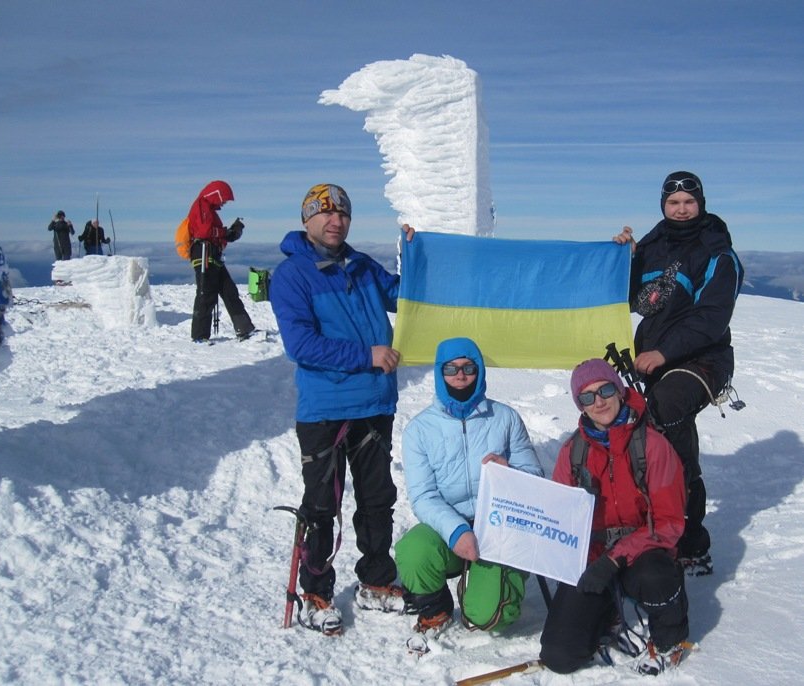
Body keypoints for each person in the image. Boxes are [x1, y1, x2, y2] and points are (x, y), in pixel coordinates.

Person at [270, 183, 414, 635]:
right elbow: (301, 345)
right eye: (325, 214)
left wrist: (418, 255)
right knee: (321, 504)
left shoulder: (362, 266)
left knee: (377, 499)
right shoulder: (293, 275)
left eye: (343, 214)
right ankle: (317, 590)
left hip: (373, 405)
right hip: (326, 410)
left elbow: (406, 298)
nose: (336, 221)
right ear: (307, 219)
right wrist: (366, 356)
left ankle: (375, 579)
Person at [614, 171, 743, 575]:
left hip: (702, 359)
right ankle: (648, 516)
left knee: (666, 410)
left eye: (689, 201)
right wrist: (625, 259)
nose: (682, 209)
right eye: (674, 203)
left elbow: (711, 317)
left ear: (701, 204)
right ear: (663, 206)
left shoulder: (718, 252)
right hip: (653, 359)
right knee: (641, 427)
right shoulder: (653, 245)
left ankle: (689, 537)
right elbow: (634, 298)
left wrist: (664, 351)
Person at [539, 358, 689, 676]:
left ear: (619, 390)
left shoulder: (652, 446)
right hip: (593, 556)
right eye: (587, 396)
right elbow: (560, 516)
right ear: (579, 405)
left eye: (606, 389)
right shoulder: (573, 453)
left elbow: (669, 522)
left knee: (656, 578)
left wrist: (616, 559)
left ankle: (670, 636)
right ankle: (605, 612)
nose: (599, 400)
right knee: (559, 656)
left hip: (644, 551)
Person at [395, 337, 544, 642]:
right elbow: (423, 496)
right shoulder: (420, 430)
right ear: (440, 372)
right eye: (451, 367)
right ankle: (436, 606)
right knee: (413, 551)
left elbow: (534, 477)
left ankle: (490, 586)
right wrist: (456, 531)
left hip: (499, 527)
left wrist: (510, 472)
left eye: (468, 367)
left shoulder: (505, 418)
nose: (460, 374)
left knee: (488, 617)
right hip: (450, 528)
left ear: (480, 371)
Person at [186, 180, 255, 343]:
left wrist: (229, 233)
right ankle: (199, 336)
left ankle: (244, 328)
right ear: (216, 195)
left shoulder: (208, 209)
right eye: (223, 199)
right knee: (206, 294)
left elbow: (213, 233)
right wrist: (227, 232)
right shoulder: (202, 205)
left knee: (229, 291)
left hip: (212, 255)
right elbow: (205, 232)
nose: (223, 203)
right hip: (204, 254)